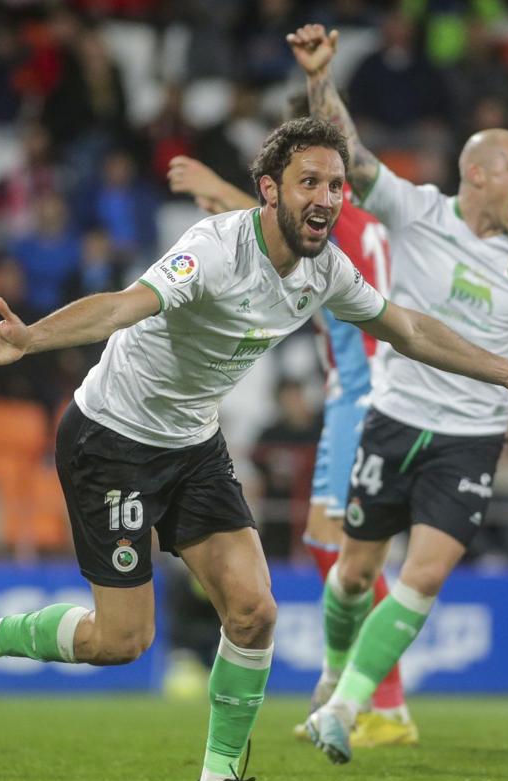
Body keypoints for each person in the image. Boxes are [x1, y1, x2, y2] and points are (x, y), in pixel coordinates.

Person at [0, 116, 508, 781]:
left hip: (193, 446)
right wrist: (33, 337)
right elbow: (125, 305)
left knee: (254, 610)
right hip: (112, 439)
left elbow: (410, 328)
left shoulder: (326, 269)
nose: (329, 197)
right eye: (311, 182)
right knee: (121, 641)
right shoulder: (215, 248)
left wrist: (504, 372)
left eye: (337, 185)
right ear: (270, 191)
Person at [289, 24, 508, 765]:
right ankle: (332, 675)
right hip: (396, 417)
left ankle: (346, 710)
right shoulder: (418, 211)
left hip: (469, 435)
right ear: (478, 173)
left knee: (427, 574)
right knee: (352, 576)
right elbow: (350, 152)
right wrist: (321, 78)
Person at [169, 134, 419, 749]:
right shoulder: (360, 222)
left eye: (326, 181)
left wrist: (217, 189)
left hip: (363, 394)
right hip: (361, 394)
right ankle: (359, 693)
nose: (320, 194)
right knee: (329, 545)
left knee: (349, 555)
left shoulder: (338, 229)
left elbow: (274, 225)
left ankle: (378, 700)